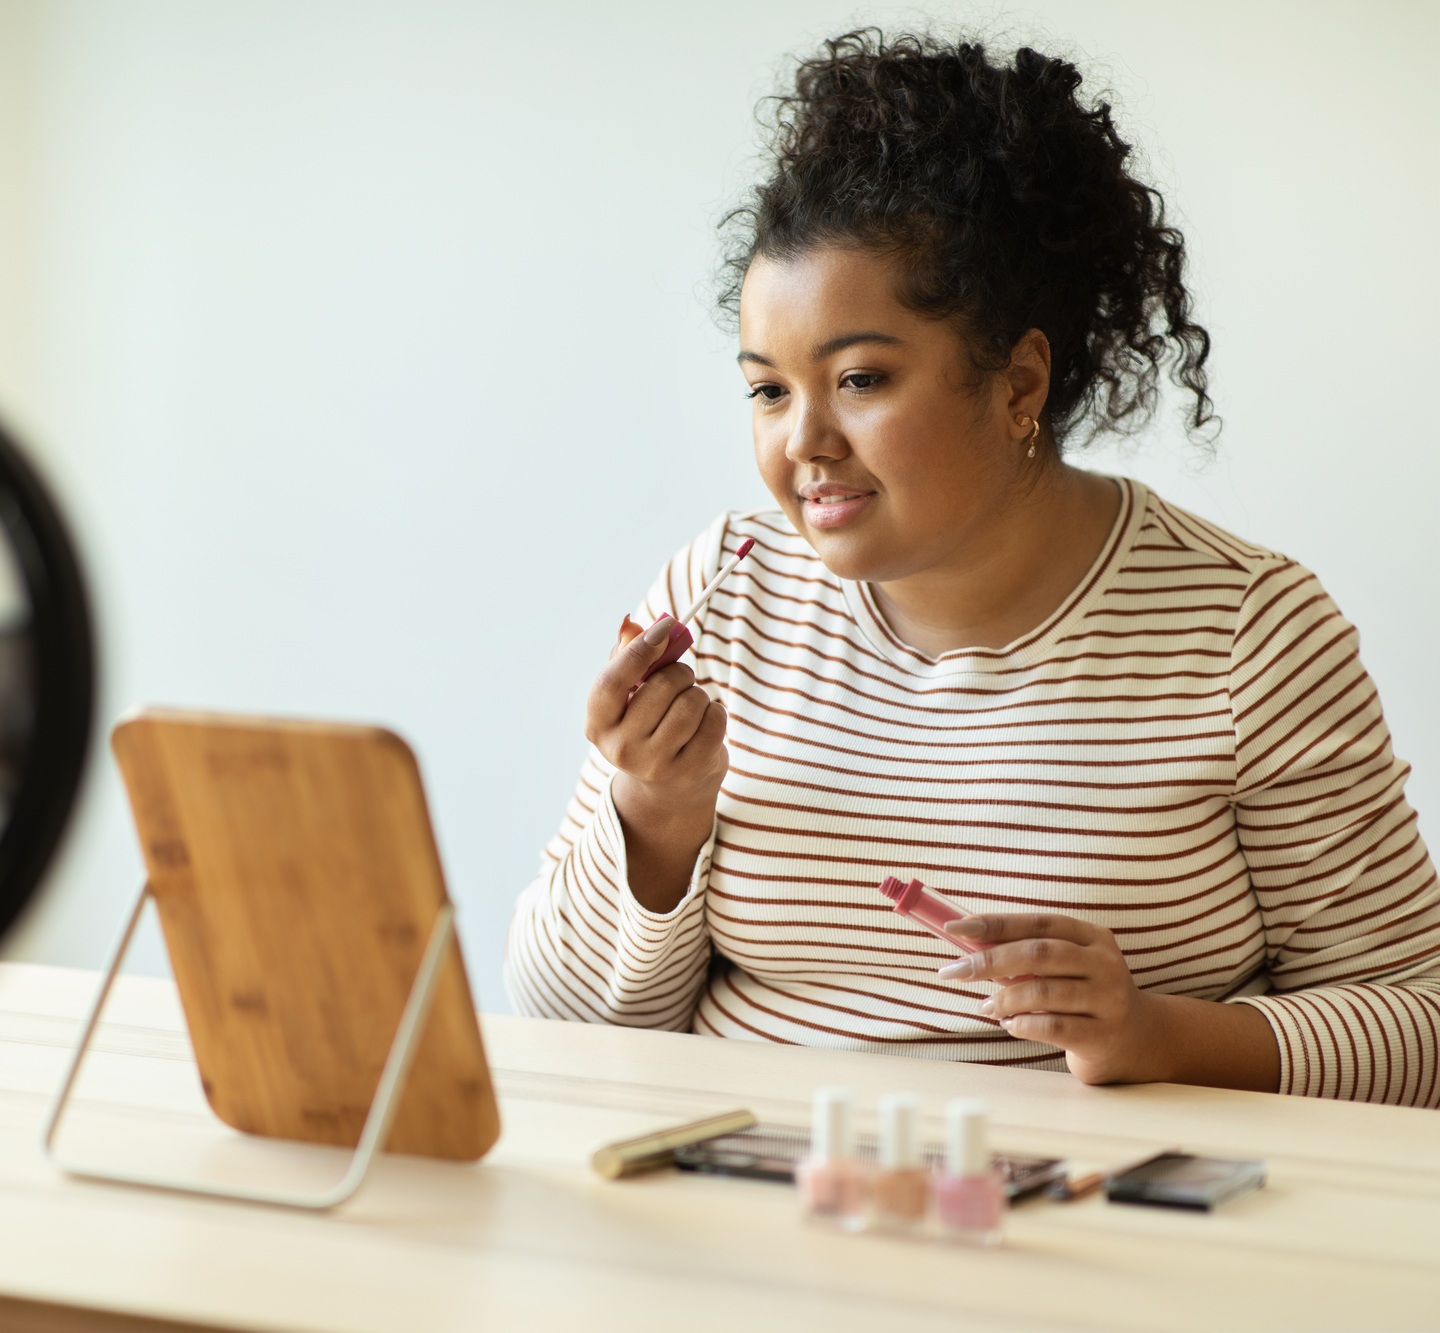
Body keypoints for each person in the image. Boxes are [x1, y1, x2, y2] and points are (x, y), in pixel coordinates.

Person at [504, 31, 1440, 1106]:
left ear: (1017, 382)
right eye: (766, 390)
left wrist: (1156, 1035)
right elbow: (559, 1020)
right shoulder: (721, 590)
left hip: (1095, 1225)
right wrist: (652, 816)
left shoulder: (1244, 632)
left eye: (858, 378)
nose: (800, 441)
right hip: (740, 1198)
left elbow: (1415, 1020)